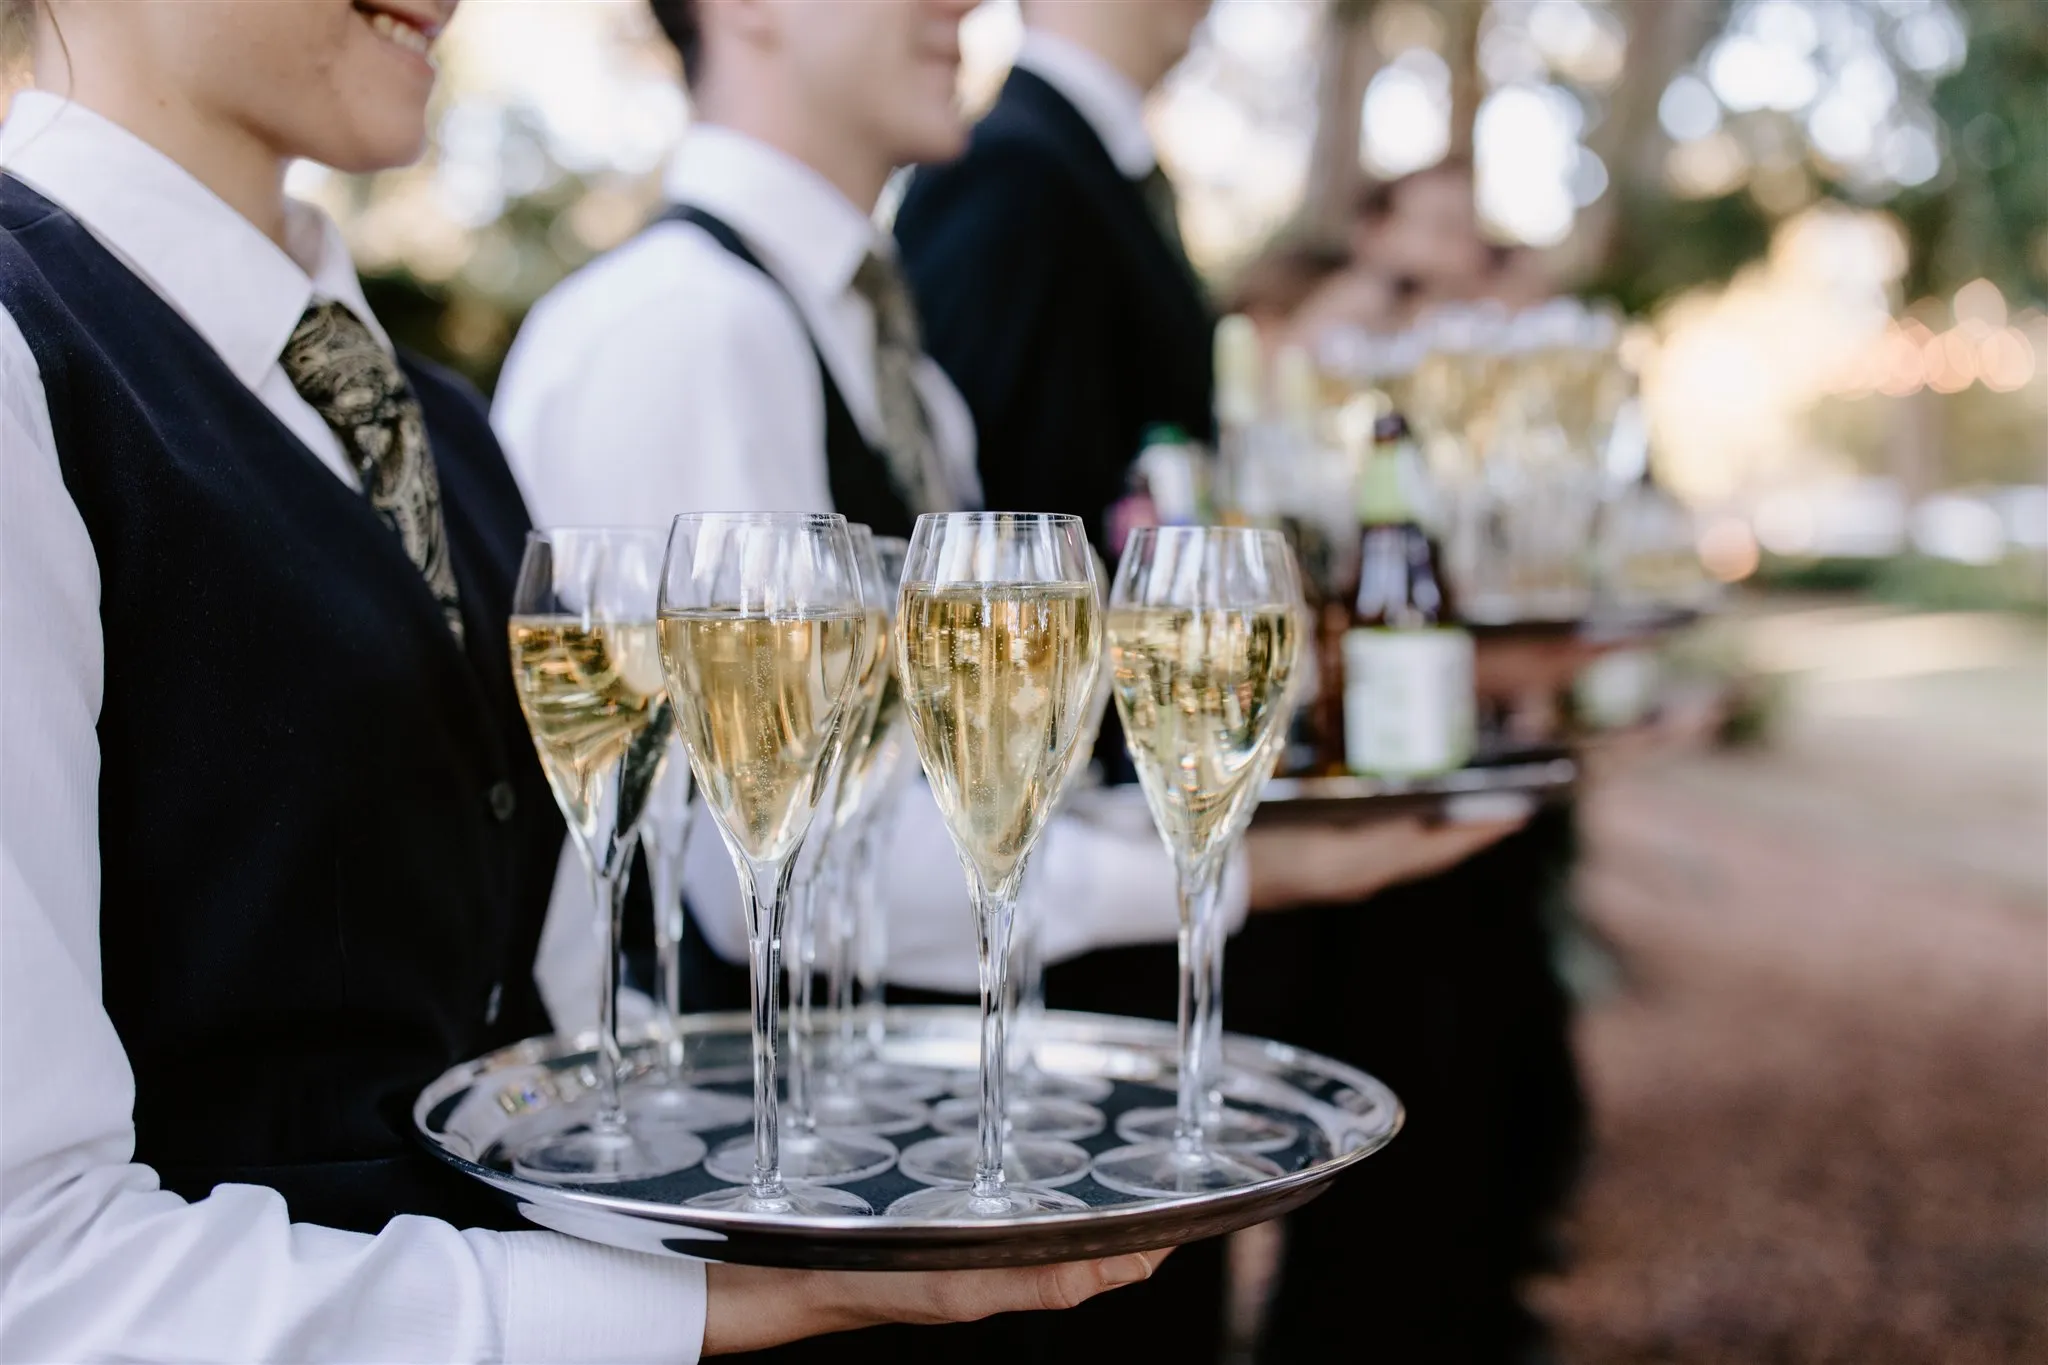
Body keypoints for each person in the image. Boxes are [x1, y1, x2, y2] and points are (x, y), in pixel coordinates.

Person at [0, 2, 1170, 1359]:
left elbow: (554, 1028)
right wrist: (723, 1301)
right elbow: (34, 1279)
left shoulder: (432, 423)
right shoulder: (28, 370)